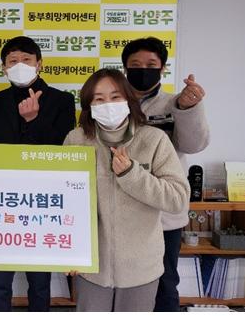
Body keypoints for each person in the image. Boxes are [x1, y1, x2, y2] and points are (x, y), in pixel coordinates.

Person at [63, 68, 190, 312]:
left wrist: (132, 174)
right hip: (92, 267)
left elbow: (178, 199)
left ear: (129, 100)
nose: (108, 105)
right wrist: (69, 251)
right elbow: (66, 201)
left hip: (141, 268)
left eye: (115, 97)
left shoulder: (153, 139)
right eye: (99, 99)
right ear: (89, 105)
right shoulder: (76, 140)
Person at [0, 36, 76, 311]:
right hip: (1, 201)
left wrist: (33, 121)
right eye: (12, 61)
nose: (19, 65)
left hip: (43, 201)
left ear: (39, 64)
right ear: (3, 68)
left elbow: (64, 148)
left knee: (40, 279)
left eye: (26, 60)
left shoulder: (62, 101)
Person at [121, 37, 210, 311]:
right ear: (125, 68)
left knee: (164, 282)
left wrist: (186, 109)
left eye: (151, 65)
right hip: (121, 210)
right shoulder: (111, 101)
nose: (143, 70)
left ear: (162, 68)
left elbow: (194, 145)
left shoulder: (176, 103)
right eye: (135, 64)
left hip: (163, 216)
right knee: (124, 282)